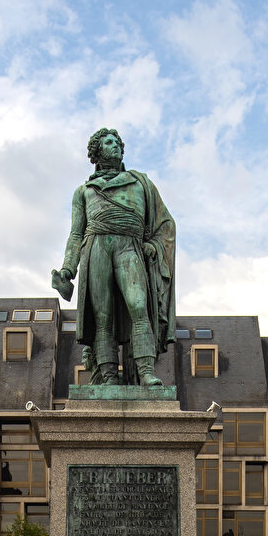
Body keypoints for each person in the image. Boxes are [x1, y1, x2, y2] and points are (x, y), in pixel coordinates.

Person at [53, 128, 176, 387]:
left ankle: (146, 372)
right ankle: (108, 376)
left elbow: (165, 224)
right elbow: (76, 234)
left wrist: (153, 244)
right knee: (102, 318)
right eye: (108, 142)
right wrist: (67, 269)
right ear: (97, 151)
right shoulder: (83, 191)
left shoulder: (140, 183)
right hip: (96, 247)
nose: (115, 146)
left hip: (129, 246)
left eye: (117, 142)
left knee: (139, 308)